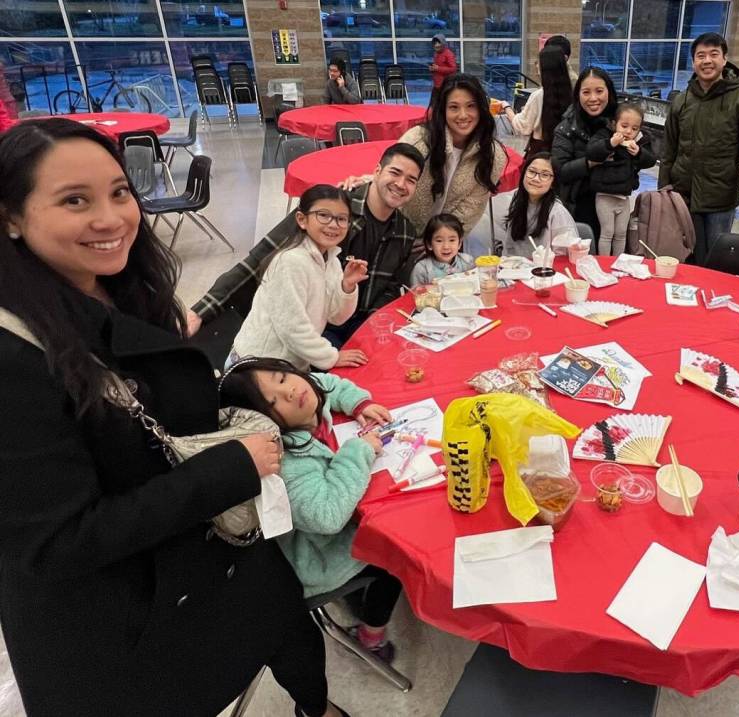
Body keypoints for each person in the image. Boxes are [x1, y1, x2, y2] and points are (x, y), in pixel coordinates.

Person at [0, 118, 346, 717]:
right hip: (122, 615)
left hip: (200, 548)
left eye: (119, 192)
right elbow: (58, 543)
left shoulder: (128, 288)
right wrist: (228, 467)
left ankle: (315, 708)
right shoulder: (16, 355)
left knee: (286, 617)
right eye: (74, 201)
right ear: (10, 216)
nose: (111, 218)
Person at [219, 356, 405, 663]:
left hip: (338, 522)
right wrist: (357, 450)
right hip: (319, 556)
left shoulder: (308, 396)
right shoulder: (286, 462)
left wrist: (357, 404)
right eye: (273, 401)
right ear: (265, 424)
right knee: (393, 557)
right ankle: (370, 635)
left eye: (281, 379)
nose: (290, 392)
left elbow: (328, 384)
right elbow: (327, 515)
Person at [188, 143, 424, 347]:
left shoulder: (405, 232)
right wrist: (202, 310)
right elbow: (261, 257)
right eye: (395, 173)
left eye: (411, 180)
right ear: (376, 171)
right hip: (314, 324)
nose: (401, 184)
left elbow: (392, 287)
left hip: (361, 324)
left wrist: (373, 327)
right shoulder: (330, 210)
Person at [229, 185, 368, 371]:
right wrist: (331, 356)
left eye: (342, 219)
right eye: (324, 215)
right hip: (256, 365)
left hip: (291, 364)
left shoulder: (331, 260)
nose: (334, 224)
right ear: (302, 219)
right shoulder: (291, 261)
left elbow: (336, 317)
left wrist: (347, 286)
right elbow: (292, 328)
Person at [660, 32, 739, 264]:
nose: (707, 61)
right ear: (693, 62)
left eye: (714, 54)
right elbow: (669, 149)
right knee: (685, 254)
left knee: (716, 256)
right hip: (683, 193)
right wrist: (664, 190)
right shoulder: (682, 100)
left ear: (724, 59)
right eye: (700, 55)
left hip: (720, 196)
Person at [396, 73, 507, 235]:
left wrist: (439, 238)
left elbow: (471, 206)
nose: (463, 115)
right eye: (454, 107)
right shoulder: (418, 140)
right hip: (401, 233)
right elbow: (393, 182)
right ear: (443, 110)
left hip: (446, 240)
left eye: (471, 106)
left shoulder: (493, 155)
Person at [552, 67, 619, 241]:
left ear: (609, 92)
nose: (593, 98)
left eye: (599, 91)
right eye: (586, 92)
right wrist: (591, 162)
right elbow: (560, 170)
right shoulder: (566, 127)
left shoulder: (620, 122)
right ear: (578, 95)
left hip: (616, 204)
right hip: (579, 204)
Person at [587, 103, 656, 255]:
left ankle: (618, 262)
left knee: (621, 233)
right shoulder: (604, 135)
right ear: (614, 124)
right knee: (607, 232)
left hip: (624, 196)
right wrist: (611, 144)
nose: (628, 131)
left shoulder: (640, 142)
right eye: (624, 126)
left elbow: (651, 160)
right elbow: (592, 151)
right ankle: (605, 262)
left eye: (634, 128)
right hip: (605, 195)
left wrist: (639, 153)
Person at [493, 151, 578, 258]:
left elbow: (563, 256)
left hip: (545, 270)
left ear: (553, 182)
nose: (536, 179)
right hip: (513, 268)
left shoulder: (557, 212)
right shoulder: (512, 199)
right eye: (532, 172)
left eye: (545, 175)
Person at [502, 45, 573, 155]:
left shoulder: (538, 96)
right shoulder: (573, 93)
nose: (536, 66)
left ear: (544, 68)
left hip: (540, 151)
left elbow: (522, 126)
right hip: (565, 151)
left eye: (539, 63)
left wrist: (506, 107)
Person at [410, 213, 474, 285]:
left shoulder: (468, 262)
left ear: (459, 243)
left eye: (452, 240)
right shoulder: (422, 270)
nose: (446, 247)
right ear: (429, 244)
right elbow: (415, 294)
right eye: (439, 241)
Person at [428, 33, 457, 108]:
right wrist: (433, 69)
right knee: (433, 107)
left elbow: (453, 69)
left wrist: (438, 68)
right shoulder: (436, 54)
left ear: (443, 43)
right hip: (437, 85)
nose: (436, 45)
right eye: (435, 43)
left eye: (438, 43)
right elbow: (437, 67)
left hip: (446, 86)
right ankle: (432, 119)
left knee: (443, 107)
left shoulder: (449, 54)